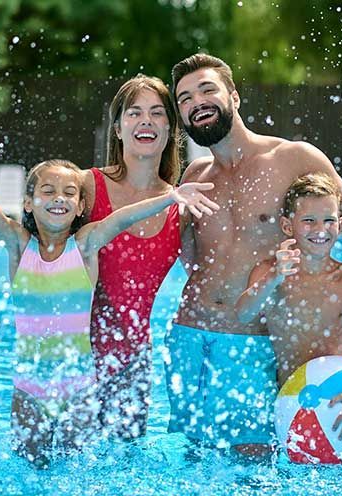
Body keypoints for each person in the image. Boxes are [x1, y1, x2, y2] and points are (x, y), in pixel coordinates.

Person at [0, 116, 218, 465]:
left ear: (80, 206)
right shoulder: (19, 247)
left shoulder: (84, 245)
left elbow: (123, 218)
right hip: (28, 389)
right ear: (28, 203)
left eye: (68, 193)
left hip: (79, 388)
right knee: (31, 471)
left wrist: (171, 197)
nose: (58, 199)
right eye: (47, 192)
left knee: (74, 473)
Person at [165, 53, 342, 455]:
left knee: (250, 466)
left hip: (249, 341)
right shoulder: (194, 178)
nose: (196, 102)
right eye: (184, 98)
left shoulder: (293, 158)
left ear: (234, 96)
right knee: (193, 460)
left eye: (207, 90)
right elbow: (191, 257)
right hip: (188, 338)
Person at [235, 173, 342, 441]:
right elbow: (243, 313)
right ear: (287, 225)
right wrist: (274, 278)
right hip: (284, 397)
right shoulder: (268, 272)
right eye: (308, 221)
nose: (320, 229)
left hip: (337, 396)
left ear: (340, 224)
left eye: (329, 220)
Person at [80, 75, 189, 439]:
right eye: (135, 113)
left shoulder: (181, 206)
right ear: (118, 127)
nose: (146, 121)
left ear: (171, 129)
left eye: (158, 113)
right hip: (74, 351)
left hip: (133, 362)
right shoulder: (86, 187)